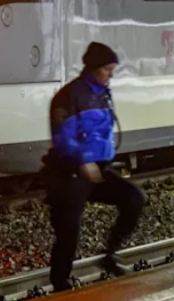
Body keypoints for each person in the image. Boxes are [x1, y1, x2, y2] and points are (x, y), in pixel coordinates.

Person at [42, 42, 147, 292]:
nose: (111, 75)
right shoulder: (69, 96)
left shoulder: (102, 92)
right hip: (68, 173)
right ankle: (61, 284)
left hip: (96, 171)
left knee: (135, 199)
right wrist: (82, 160)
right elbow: (63, 137)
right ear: (93, 68)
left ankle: (110, 255)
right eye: (108, 69)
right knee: (69, 232)